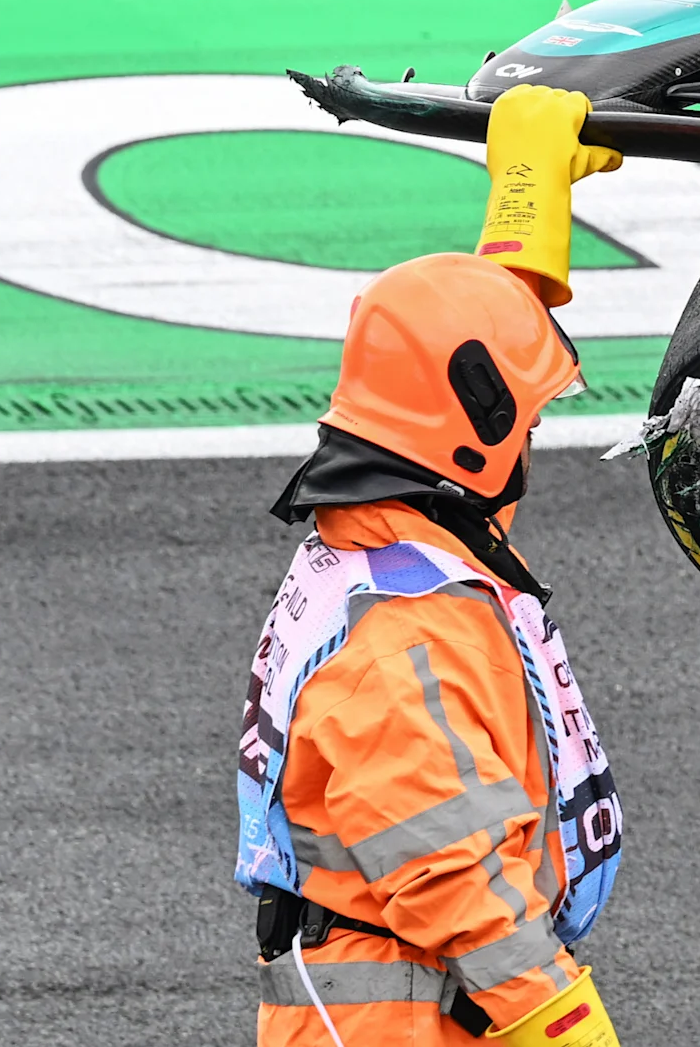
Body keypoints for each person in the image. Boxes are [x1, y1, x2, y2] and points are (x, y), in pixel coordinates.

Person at [241, 85, 631, 1047]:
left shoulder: (399, 530)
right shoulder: (405, 643)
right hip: (416, 1015)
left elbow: (467, 349)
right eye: (527, 423)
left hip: (425, 992)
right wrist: (565, 1021)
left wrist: (526, 195)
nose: (535, 438)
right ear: (476, 441)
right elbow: (456, 881)